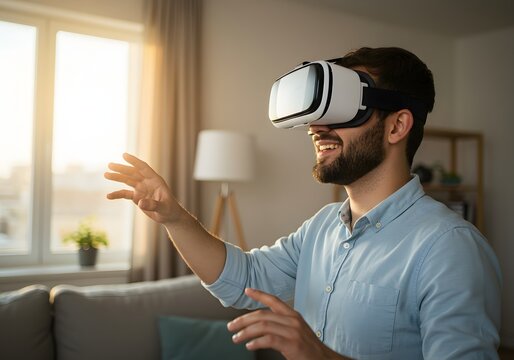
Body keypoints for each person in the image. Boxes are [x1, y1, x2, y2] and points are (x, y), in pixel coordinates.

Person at [104, 47, 502, 359]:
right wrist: (175, 218)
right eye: (317, 112)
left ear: (397, 126)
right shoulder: (323, 226)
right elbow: (243, 281)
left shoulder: (448, 247)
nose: (316, 127)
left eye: (343, 107)